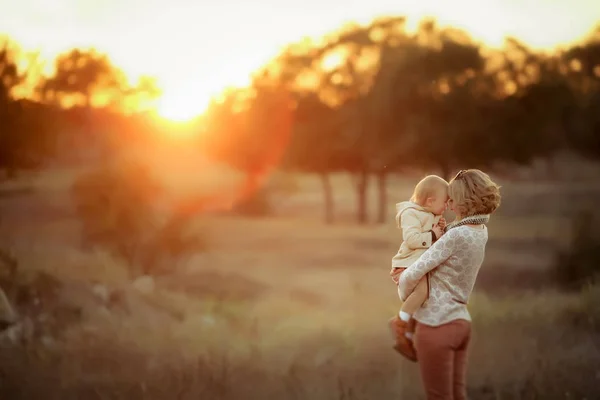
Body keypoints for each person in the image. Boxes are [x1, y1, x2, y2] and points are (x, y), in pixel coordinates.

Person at [397, 169, 501, 400]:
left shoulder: (455, 236)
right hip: (460, 322)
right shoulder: (480, 231)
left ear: (464, 200)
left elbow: (413, 273)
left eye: (453, 199)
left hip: (436, 324)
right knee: (457, 395)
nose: (450, 204)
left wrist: (404, 292)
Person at [388, 175, 448, 360]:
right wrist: (432, 234)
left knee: (426, 298)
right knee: (422, 292)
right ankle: (399, 322)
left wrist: (440, 230)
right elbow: (412, 239)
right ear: (430, 201)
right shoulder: (410, 213)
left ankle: (406, 337)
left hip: (419, 266)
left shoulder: (431, 215)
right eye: (445, 202)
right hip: (406, 266)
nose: (447, 207)